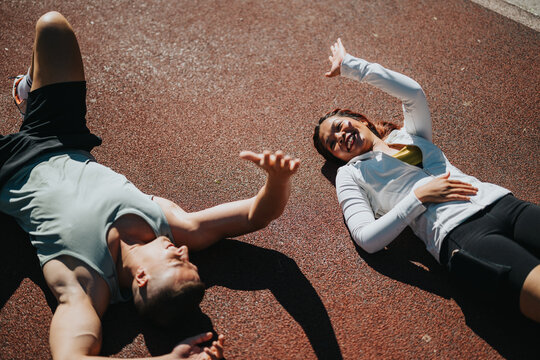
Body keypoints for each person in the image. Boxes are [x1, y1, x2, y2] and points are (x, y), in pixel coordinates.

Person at [0, 11, 300, 360]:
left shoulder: (85, 287)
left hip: (6, 170)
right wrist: (278, 180)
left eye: (177, 261)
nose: (184, 251)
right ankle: (30, 95)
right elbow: (254, 216)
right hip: (60, 135)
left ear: (141, 277)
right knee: (52, 26)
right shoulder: (174, 227)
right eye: (189, 259)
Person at [312, 38, 540, 322]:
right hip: (462, 234)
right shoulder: (351, 174)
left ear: (358, 119)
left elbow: (414, 93)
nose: (340, 136)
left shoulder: (409, 135)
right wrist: (418, 197)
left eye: (338, 126)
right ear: (340, 158)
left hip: (502, 205)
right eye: (332, 143)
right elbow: (366, 238)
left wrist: (353, 67)